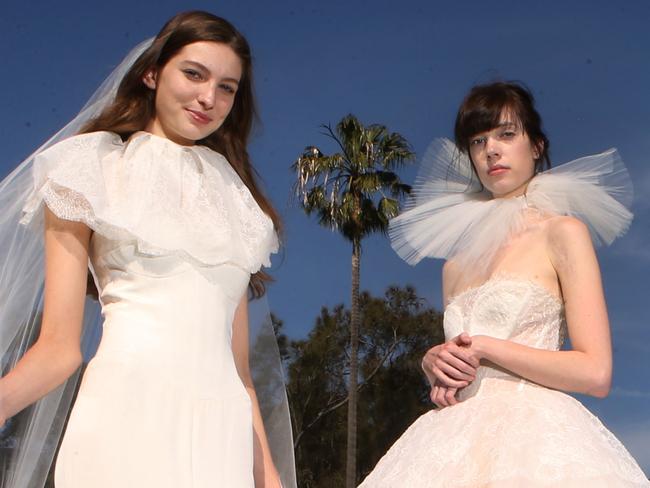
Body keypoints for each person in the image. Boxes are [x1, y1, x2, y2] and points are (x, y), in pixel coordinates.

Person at [0, 11, 295, 488]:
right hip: (126, 415)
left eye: (227, 87)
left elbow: (240, 373)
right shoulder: (89, 170)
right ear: (153, 72)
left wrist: (270, 478)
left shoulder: (238, 204)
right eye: (194, 74)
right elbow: (57, 349)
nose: (209, 98)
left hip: (221, 437)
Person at [359, 82, 649, 487]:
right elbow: (461, 360)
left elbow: (595, 371)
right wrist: (435, 367)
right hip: (451, 441)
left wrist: (487, 347)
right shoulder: (454, 264)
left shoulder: (563, 232)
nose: (491, 149)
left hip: (534, 441)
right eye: (478, 141)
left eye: (506, 134)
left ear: (536, 146)